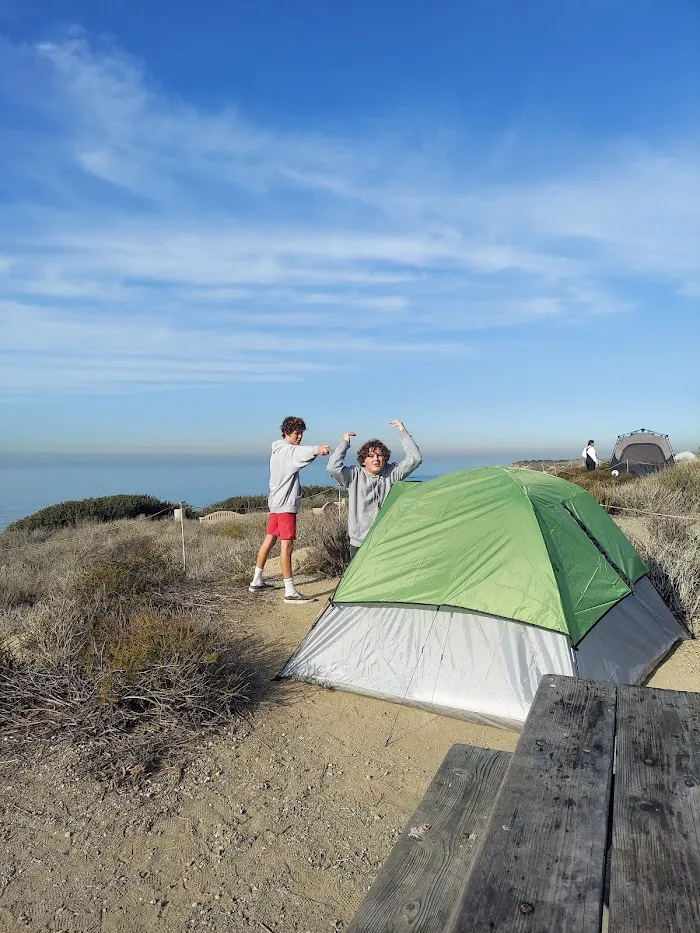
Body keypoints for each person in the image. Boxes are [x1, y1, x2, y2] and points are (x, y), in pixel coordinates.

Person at [249, 416, 330, 603]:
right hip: (285, 505)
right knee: (287, 546)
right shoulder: (287, 451)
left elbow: (299, 452)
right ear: (287, 433)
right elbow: (302, 453)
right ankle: (290, 592)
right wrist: (319, 449)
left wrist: (314, 449)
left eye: (301, 433)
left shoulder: (278, 450)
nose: (300, 436)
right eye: (296, 433)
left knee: (269, 540)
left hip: (275, 503)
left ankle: (256, 580)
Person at [327, 420, 422, 557]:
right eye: (370, 456)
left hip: (385, 540)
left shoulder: (392, 473)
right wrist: (344, 443)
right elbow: (332, 467)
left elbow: (415, 459)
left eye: (379, 455)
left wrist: (403, 432)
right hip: (360, 543)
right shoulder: (354, 475)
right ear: (363, 460)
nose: (376, 459)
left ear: (385, 458)